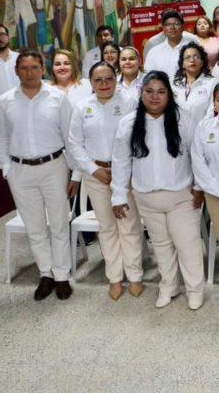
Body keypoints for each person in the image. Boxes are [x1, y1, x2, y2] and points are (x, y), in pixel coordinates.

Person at [111, 71, 204, 310]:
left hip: (181, 196)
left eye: (161, 92)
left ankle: (194, 290)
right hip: (146, 197)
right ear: (141, 93)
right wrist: (118, 195)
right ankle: (169, 286)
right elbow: (121, 162)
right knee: (161, 246)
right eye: (149, 91)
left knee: (187, 245)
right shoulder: (128, 123)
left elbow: (198, 155)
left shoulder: (184, 118)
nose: (155, 97)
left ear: (169, 95)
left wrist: (199, 187)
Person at [0, 49, 75, 300]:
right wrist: (7, 169)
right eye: (24, 68)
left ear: (43, 69)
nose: (29, 73)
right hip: (20, 171)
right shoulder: (5, 101)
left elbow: (70, 137)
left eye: (34, 68)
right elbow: (1, 138)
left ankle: (62, 276)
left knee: (59, 223)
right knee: (35, 226)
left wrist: (75, 174)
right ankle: (46, 274)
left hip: (54, 167)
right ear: (16, 71)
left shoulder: (57, 98)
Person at [67, 62, 144, 301]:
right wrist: (93, 169)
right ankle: (114, 278)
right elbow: (74, 144)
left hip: (125, 175)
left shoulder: (129, 102)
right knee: (108, 227)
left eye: (109, 78)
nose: (104, 84)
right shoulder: (82, 107)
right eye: (98, 80)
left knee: (129, 225)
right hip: (96, 175)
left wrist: (122, 170)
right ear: (90, 82)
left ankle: (135, 276)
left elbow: (138, 137)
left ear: (115, 79)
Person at [172, 43, 216, 121]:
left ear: (202, 62)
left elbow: (211, 112)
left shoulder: (212, 83)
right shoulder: (173, 83)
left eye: (196, 57)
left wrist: (202, 128)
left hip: (203, 127)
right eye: (187, 57)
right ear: (182, 64)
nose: (192, 60)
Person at [144, 10, 189, 77]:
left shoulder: (192, 49)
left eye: (176, 24)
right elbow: (148, 76)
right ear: (163, 28)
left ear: (183, 27)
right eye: (168, 24)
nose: (172, 27)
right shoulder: (154, 52)